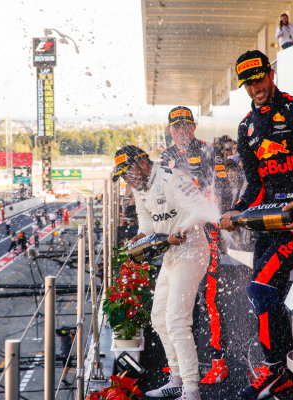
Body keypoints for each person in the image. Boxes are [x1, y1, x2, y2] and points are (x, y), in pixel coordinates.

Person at [219, 50, 293, 399]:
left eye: (259, 78)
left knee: (260, 289)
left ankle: (273, 371)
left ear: (271, 73)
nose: (256, 87)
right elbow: (254, 188)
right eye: (248, 82)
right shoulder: (245, 126)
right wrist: (234, 211)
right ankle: (286, 372)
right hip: (266, 221)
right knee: (267, 296)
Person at [113, 145, 211, 400]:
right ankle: (177, 378)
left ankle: (192, 389)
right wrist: (140, 238)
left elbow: (202, 208)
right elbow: (145, 220)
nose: (127, 179)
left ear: (143, 163)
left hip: (192, 250)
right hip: (170, 253)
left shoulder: (172, 177)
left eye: (128, 172)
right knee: (158, 318)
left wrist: (184, 231)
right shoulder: (140, 187)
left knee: (177, 321)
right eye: (123, 175)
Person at [160, 106, 236, 385]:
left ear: (193, 126)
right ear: (170, 129)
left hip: (207, 230)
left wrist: (212, 217)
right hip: (181, 234)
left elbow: (223, 191)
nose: (182, 130)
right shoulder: (166, 156)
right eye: (176, 126)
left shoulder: (208, 149)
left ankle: (219, 362)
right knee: (180, 301)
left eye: (186, 125)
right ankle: (181, 362)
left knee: (211, 297)